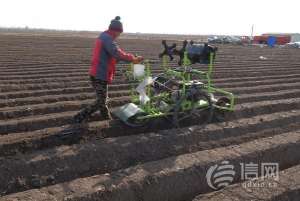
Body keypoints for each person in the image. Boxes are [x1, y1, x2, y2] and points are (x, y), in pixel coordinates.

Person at [73, 16, 143, 123]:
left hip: (97, 72)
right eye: (119, 33)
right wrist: (133, 59)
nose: (119, 36)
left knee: (102, 99)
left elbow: (112, 56)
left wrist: (129, 59)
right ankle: (79, 116)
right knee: (101, 101)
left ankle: (106, 118)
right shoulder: (107, 38)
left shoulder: (104, 36)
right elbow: (116, 53)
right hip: (99, 74)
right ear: (116, 31)